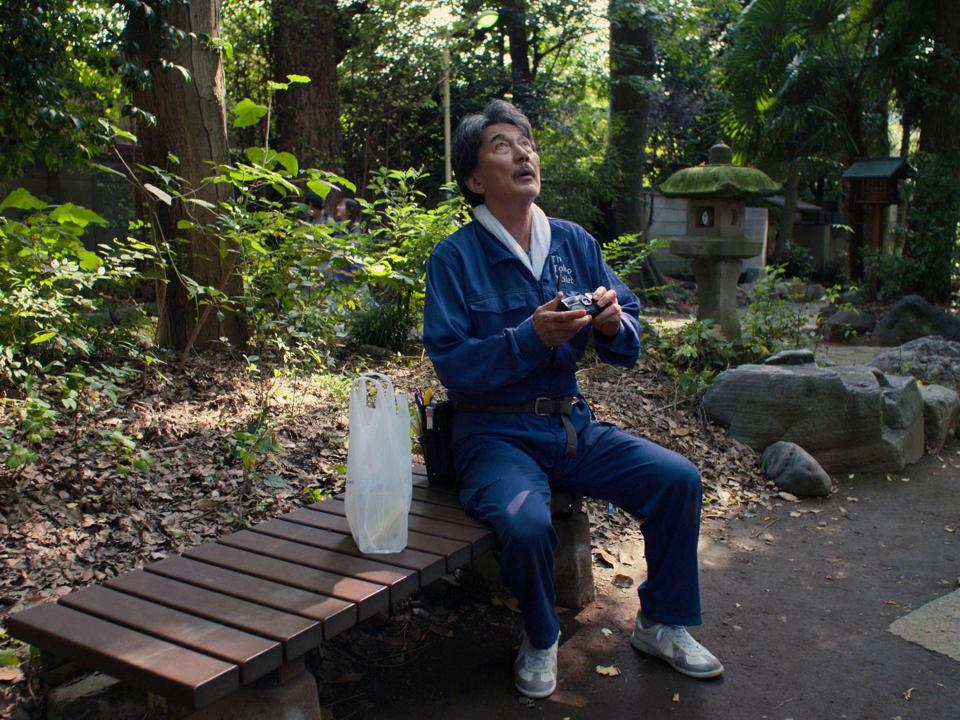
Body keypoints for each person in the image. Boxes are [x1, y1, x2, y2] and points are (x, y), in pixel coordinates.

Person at [422, 99, 723, 700]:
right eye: (503, 145)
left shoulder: (574, 242)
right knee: (526, 523)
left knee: (677, 479)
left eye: (527, 143)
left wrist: (613, 325)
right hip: (493, 435)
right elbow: (452, 364)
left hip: (571, 426)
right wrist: (525, 339)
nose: (524, 153)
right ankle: (540, 635)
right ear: (476, 179)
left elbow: (628, 323)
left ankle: (662, 623)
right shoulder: (454, 258)